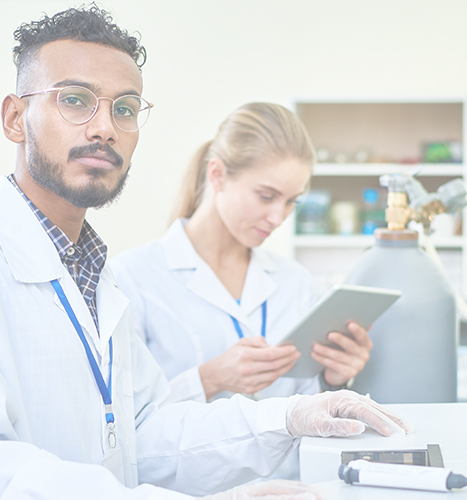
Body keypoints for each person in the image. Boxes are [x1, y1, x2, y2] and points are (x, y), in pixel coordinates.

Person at [0, 6, 411, 500]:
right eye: (75, 99)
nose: (104, 127)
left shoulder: (95, 275)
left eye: (125, 108)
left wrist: (288, 417)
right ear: (14, 118)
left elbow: (147, 435)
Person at [112, 103, 375, 404]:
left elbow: (305, 403)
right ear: (217, 175)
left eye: (292, 201)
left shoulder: (296, 283)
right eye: (266, 196)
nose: (278, 217)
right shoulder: (132, 277)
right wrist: (209, 380)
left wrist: (332, 379)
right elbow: (121, 413)